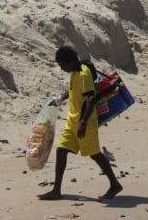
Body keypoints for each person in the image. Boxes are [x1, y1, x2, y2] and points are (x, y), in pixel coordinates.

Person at [37, 46, 123, 201]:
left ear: (70, 62)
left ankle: (115, 184)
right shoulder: (74, 71)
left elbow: (91, 98)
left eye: (63, 65)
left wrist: (83, 122)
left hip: (85, 121)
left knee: (94, 153)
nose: (62, 69)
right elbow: (73, 91)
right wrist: (60, 99)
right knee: (61, 151)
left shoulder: (83, 73)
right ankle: (56, 190)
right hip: (72, 120)